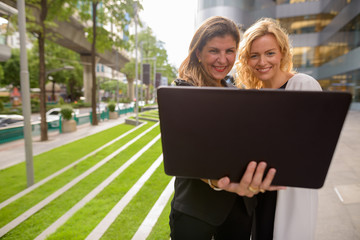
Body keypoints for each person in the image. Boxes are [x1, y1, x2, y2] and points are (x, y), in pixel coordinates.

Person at [170, 16, 283, 240]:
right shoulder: (182, 91)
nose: (223, 59)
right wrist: (217, 182)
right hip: (196, 211)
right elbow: (185, 154)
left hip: (240, 210)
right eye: (214, 51)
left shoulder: (238, 92)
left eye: (230, 51)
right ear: (198, 53)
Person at [235, 17, 322, 240]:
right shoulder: (253, 98)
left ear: (282, 53)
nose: (262, 61)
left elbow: (314, 148)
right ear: (246, 60)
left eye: (270, 53)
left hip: (289, 194)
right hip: (258, 196)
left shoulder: (303, 85)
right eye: (254, 55)